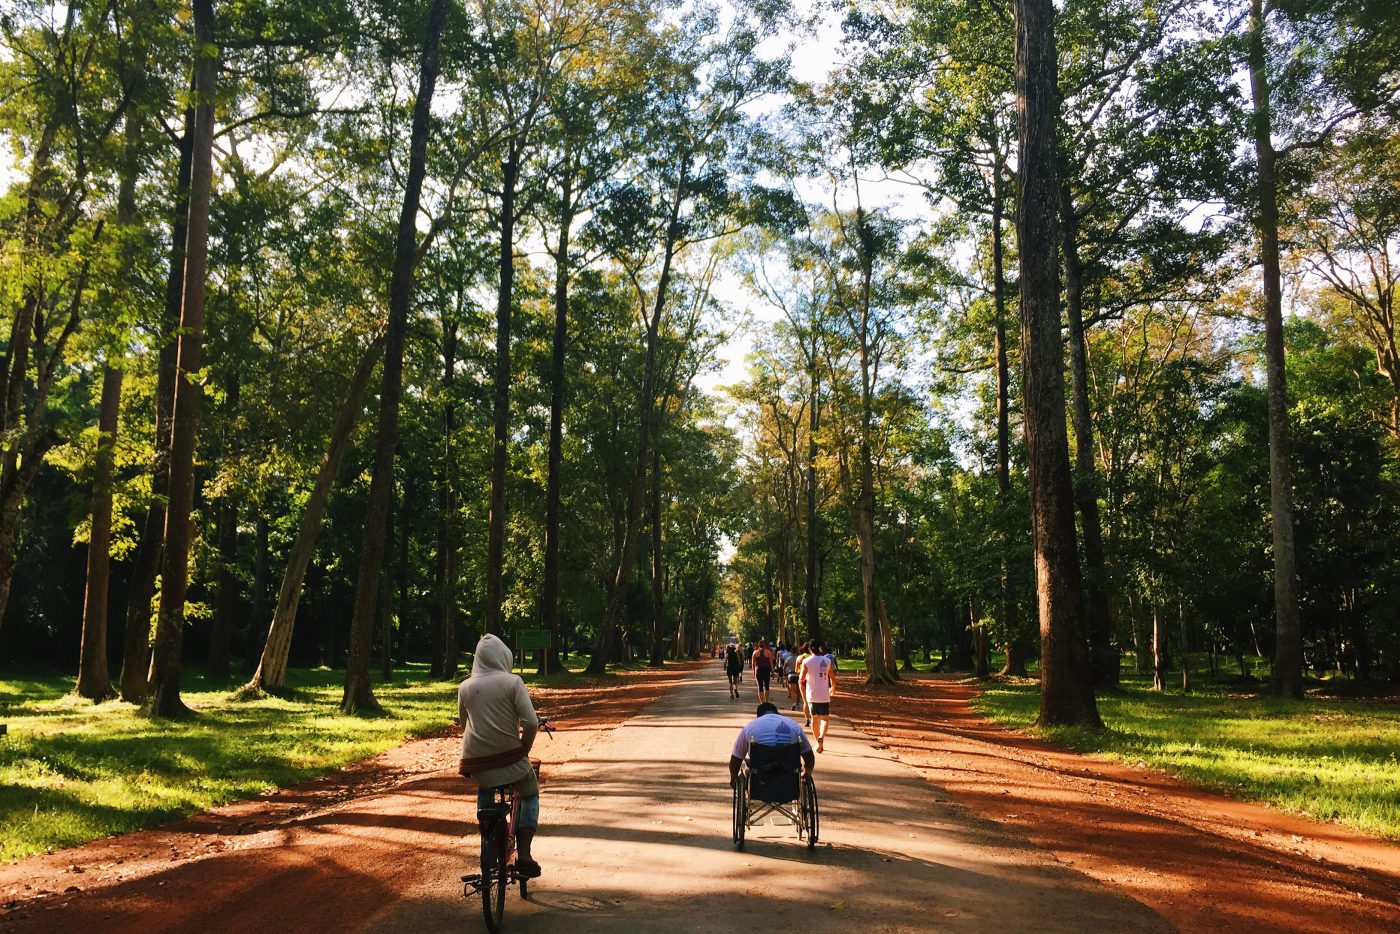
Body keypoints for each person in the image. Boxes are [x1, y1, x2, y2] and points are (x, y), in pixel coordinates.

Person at [458, 633, 543, 878]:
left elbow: (464, 725)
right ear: (504, 656)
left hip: (476, 763)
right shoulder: (513, 682)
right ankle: (524, 854)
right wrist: (523, 749)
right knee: (530, 794)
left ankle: (488, 838)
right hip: (511, 760)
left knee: (485, 788)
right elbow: (530, 723)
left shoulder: (464, 687)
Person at [728, 702, 815, 790]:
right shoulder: (794, 726)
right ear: (777, 713)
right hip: (789, 780)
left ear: (758, 716)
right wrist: (807, 773)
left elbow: (735, 760)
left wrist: (733, 780)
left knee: (748, 767)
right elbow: (809, 757)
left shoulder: (749, 728)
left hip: (760, 779)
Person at [799, 640, 836, 753]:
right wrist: (832, 688)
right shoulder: (827, 661)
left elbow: (801, 680)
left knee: (814, 720)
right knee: (824, 720)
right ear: (820, 648)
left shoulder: (806, 661)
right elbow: (832, 678)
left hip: (812, 695)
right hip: (824, 695)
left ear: (809, 649)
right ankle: (821, 737)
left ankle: (817, 743)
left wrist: (803, 694)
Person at [751, 639, 776, 704]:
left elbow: (753, 664)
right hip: (766, 669)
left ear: (758, 645)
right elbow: (771, 663)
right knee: (767, 686)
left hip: (758, 670)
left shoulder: (755, 653)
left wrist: (754, 672)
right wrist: (772, 671)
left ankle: (762, 703)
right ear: (764, 645)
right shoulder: (768, 652)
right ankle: (766, 701)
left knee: (760, 686)